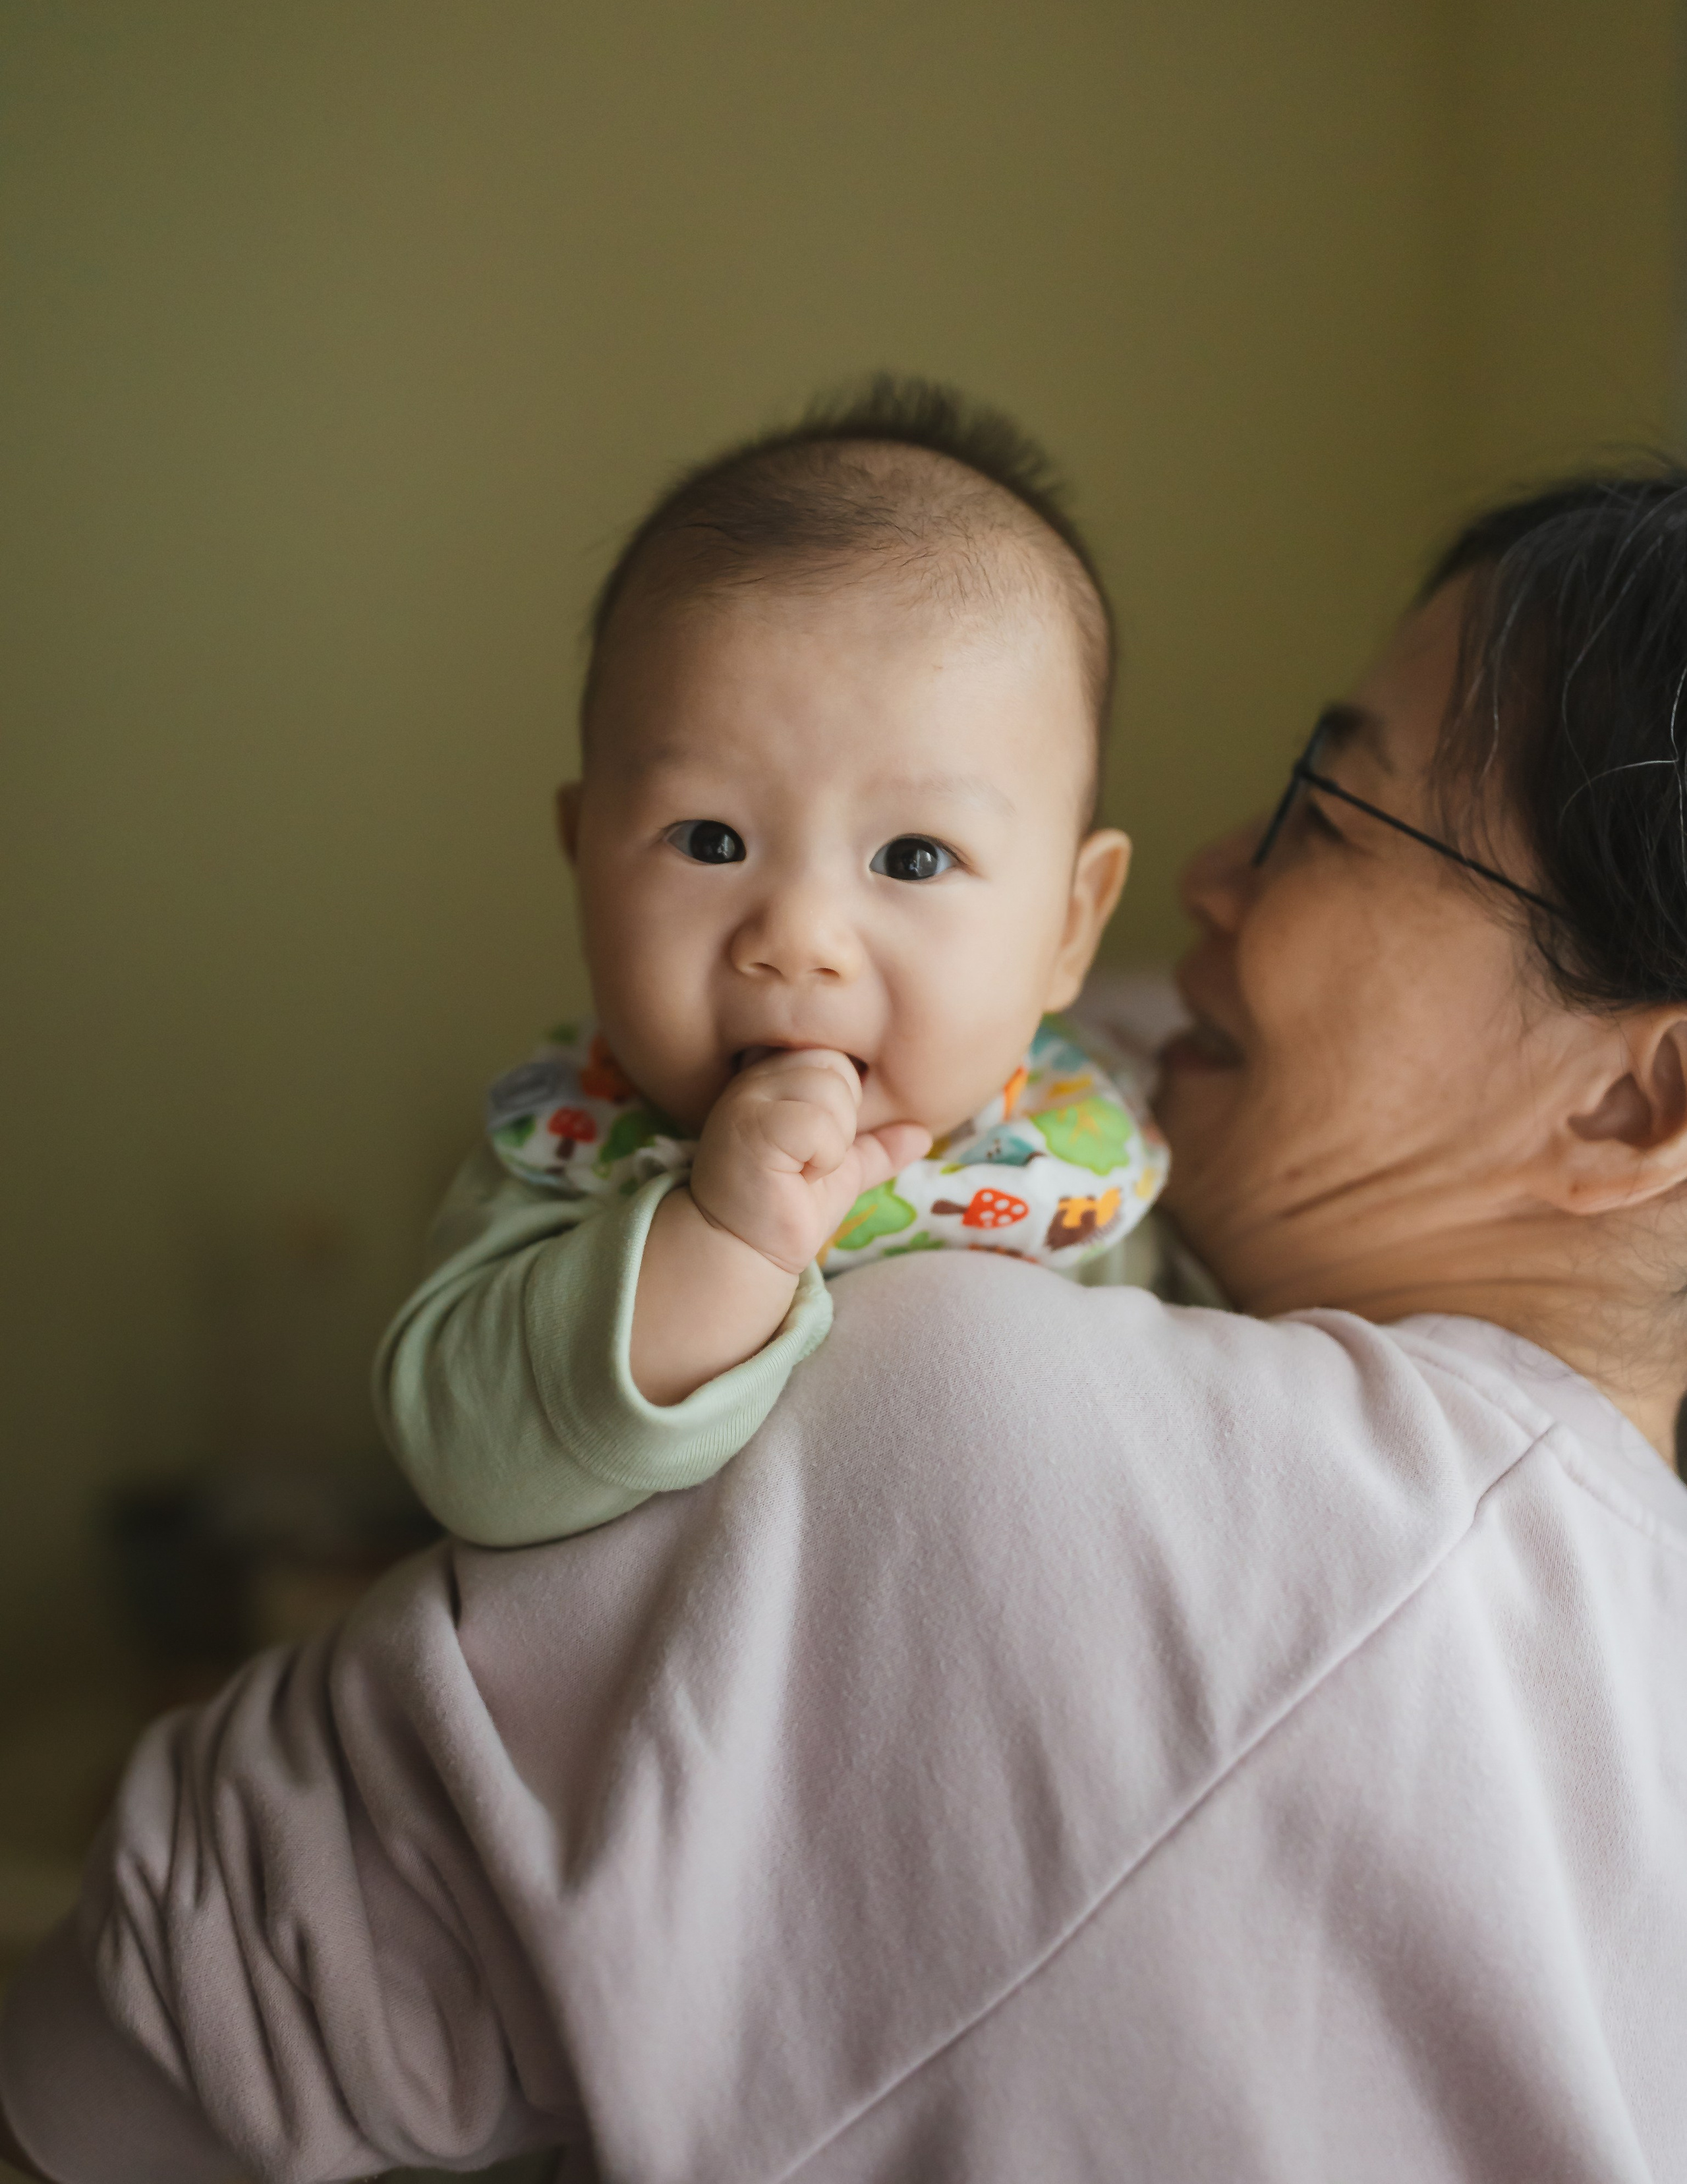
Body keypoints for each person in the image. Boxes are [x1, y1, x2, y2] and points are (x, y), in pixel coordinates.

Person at [7, 468, 1687, 2181]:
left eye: (1330, 810)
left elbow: (223, 1969)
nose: (1219, 869)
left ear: (1639, 1105)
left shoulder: (990, 1392)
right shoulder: (1615, 1609)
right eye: (714, 840)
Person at [376, 379, 1176, 1550]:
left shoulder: (1089, 1162)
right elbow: (471, 1462)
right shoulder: (573, 1157)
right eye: (710, 840)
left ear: (1070, 923)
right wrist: (725, 1243)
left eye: (913, 854)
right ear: (582, 856)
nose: (798, 932)